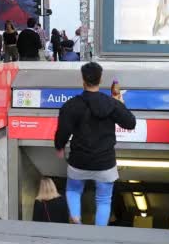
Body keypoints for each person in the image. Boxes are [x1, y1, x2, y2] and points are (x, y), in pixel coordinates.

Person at [55, 62, 136, 226]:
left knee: (73, 190)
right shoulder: (111, 104)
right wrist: (120, 103)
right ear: (100, 79)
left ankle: (76, 222)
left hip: (79, 161)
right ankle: (99, 235)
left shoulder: (72, 105)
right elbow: (130, 123)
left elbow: (63, 131)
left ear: (83, 80)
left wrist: (60, 147)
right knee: (104, 200)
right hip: (105, 163)